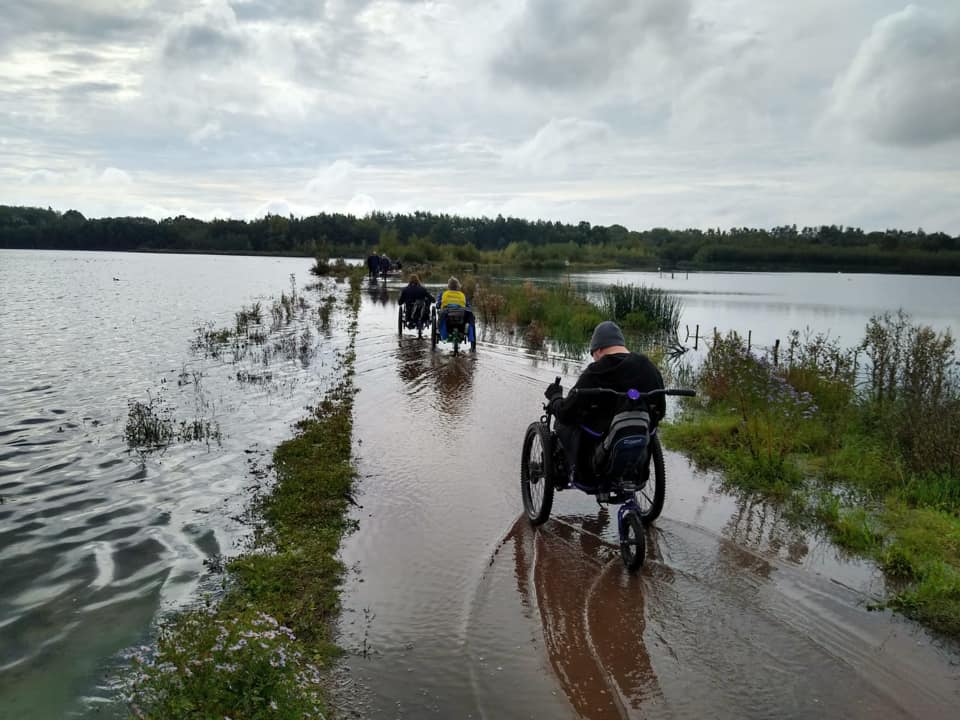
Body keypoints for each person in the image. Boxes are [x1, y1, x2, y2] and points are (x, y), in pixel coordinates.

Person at [544, 321, 665, 486]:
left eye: (593, 354)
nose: (594, 359)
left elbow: (567, 413)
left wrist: (555, 398)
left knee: (562, 423)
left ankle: (566, 473)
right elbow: (660, 411)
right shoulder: (649, 368)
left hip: (594, 466)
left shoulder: (595, 373)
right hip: (637, 463)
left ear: (599, 349)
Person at [436, 277, 476, 342]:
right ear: (457, 286)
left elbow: (438, 305)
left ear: (448, 286)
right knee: (470, 315)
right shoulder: (462, 295)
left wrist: (439, 305)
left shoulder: (443, 294)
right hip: (461, 316)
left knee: (441, 315)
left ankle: (444, 335)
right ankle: (470, 336)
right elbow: (468, 305)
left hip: (447, 316)